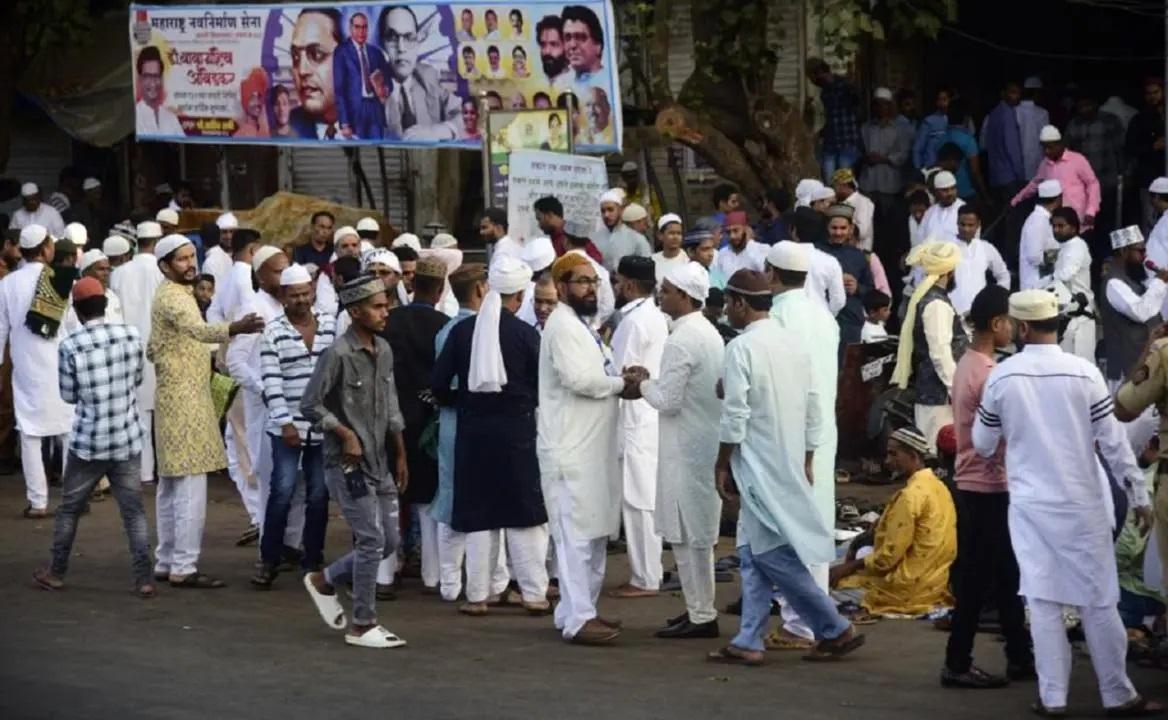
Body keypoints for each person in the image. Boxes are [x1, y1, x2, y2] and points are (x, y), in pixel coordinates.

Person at [973, 289, 1161, 718]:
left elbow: (983, 445)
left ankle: (1053, 698)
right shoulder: (1085, 373)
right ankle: (1118, 694)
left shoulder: (1001, 377)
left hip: (1031, 506)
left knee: (1042, 601)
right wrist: (1137, 492)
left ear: (1021, 328)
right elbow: (1113, 444)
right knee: (1098, 600)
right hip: (1083, 505)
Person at [707, 269, 864, 666]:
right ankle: (749, 638)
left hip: (758, 462)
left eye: (728, 303)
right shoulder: (793, 344)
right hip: (788, 457)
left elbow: (735, 415)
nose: (727, 310)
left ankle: (834, 627)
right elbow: (815, 405)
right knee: (751, 549)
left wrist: (721, 463)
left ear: (741, 304)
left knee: (769, 554)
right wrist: (808, 456)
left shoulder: (741, 348)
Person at [433, 257, 551, 615]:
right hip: (517, 433)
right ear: (518, 295)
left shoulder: (461, 332)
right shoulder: (526, 334)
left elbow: (438, 385)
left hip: (473, 433)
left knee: (480, 514)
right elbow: (542, 385)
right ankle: (534, 594)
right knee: (524, 514)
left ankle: (478, 595)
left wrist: (464, 401)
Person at [301, 275, 409, 649]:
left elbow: (391, 403)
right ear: (355, 311)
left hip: (381, 461)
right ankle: (363, 623)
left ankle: (325, 579)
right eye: (378, 307)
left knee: (389, 540)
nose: (386, 312)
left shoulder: (384, 349)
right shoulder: (338, 354)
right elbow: (309, 404)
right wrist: (344, 434)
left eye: (386, 304)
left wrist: (400, 452)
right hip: (346, 465)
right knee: (370, 539)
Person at [150, 234, 264, 588]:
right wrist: (236, 327)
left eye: (191, 257)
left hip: (178, 396)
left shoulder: (173, 294)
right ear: (165, 266)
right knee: (190, 485)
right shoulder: (174, 298)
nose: (189, 265)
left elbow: (161, 346)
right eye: (181, 260)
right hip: (184, 401)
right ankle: (183, 566)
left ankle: (167, 560)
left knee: (172, 484)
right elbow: (198, 331)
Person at [618, 261, 723, 638]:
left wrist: (642, 382)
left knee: (689, 535)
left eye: (666, 289)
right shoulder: (705, 332)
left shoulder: (682, 338)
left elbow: (668, 400)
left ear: (684, 296)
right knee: (692, 536)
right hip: (698, 443)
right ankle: (698, 610)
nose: (660, 294)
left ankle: (702, 614)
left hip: (686, 446)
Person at [538, 253, 635, 645]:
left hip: (591, 450)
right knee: (576, 538)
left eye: (594, 281)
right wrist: (621, 384)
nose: (590, 288)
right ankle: (579, 619)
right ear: (561, 288)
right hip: (569, 450)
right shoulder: (561, 326)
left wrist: (621, 377)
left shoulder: (582, 326)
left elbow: (601, 373)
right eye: (581, 282)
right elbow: (582, 380)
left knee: (593, 535)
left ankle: (577, 612)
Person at [33, 278, 152, 597]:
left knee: (69, 509)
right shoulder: (130, 335)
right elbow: (138, 378)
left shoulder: (70, 345)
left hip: (88, 444)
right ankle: (144, 579)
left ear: (76, 310)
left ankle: (56, 572)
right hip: (126, 439)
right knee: (134, 511)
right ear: (104, 303)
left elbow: (70, 395)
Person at [940, 284, 1034, 689]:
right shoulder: (991, 374)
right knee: (986, 577)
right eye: (1011, 322)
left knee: (1001, 573)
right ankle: (961, 662)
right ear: (998, 324)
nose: (1014, 330)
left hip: (975, 479)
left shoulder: (968, 363)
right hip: (989, 482)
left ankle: (1018, 657)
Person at [763, 242, 842, 650]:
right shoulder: (824, 316)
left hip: (788, 434)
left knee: (786, 527)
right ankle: (813, 617)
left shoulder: (775, 317)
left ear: (771, 274)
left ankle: (799, 623)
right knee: (816, 522)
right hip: (823, 432)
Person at [251, 264, 336, 589]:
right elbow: (271, 383)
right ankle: (268, 559)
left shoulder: (329, 324)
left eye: (306, 293)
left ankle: (312, 559)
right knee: (282, 493)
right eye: (295, 295)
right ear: (283, 296)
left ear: (312, 291)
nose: (302, 300)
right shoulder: (272, 332)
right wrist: (285, 424)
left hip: (323, 427)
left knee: (318, 495)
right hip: (286, 429)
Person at [832, 425, 957, 613]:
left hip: (905, 588)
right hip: (934, 583)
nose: (888, 461)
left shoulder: (911, 496)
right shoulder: (938, 487)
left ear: (913, 455)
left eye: (894, 454)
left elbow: (886, 559)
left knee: (820, 587)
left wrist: (848, 568)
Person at [382, 257, 449, 593]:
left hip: (388, 419)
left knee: (390, 496)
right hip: (426, 424)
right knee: (425, 500)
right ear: (439, 290)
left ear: (413, 284)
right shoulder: (445, 324)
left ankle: (385, 573)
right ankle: (432, 575)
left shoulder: (389, 321)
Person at [0, 225, 74, 517]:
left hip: (26, 365)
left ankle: (38, 502)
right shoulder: (60, 278)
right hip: (58, 362)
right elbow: (70, 328)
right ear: (44, 249)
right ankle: (72, 499)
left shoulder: (7, 283)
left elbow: (1, 329)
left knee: (29, 433)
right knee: (68, 429)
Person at [608, 256, 668, 598]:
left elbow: (621, 372)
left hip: (634, 416)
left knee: (638, 498)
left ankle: (645, 576)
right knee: (641, 496)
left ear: (628, 284)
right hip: (646, 416)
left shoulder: (634, 323)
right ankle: (646, 571)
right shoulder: (652, 316)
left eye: (618, 283)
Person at [428, 264, 486, 602]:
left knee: (449, 494)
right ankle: (489, 580)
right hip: (477, 420)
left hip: (449, 420)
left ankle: (450, 582)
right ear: (479, 290)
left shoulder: (446, 330)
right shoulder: (485, 329)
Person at [891, 242, 967, 453]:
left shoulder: (932, 299)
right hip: (938, 397)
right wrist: (956, 389)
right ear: (950, 272)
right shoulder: (936, 305)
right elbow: (940, 353)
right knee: (935, 453)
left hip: (936, 393)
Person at [109, 223, 164, 488]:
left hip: (129, 348)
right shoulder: (163, 270)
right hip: (161, 347)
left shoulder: (119, 273)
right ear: (156, 241)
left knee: (140, 414)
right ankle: (167, 469)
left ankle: (144, 472)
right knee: (164, 412)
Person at [379, 6, 461, 140]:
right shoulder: (371, 85)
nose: (401, 48)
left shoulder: (429, 76)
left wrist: (437, 131)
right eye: (393, 38)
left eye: (409, 37)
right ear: (382, 43)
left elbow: (466, 117)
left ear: (417, 42)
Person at [1101, 226, 1168, 389]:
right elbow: (1141, 312)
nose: (1145, 256)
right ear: (1124, 251)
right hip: (1127, 372)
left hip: (1144, 368)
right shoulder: (1114, 283)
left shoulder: (1134, 281)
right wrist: (1160, 282)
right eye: (1140, 251)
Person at [1012, 125, 1101, 233]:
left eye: (1050, 147)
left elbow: (1092, 184)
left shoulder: (1077, 160)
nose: (1046, 151)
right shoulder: (1045, 164)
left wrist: (1091, 211)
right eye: (1044, 148)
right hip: (1058, 226)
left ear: (1060, 144)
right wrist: (1015, 200)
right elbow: (1034, 184)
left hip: (1080, 221)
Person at [1066, 94, 1125, 233]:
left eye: (1088, 105)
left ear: (1095, 104)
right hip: (1084, 185)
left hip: (1107, 181)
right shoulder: (1073, 125)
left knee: (1108, 220)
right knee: (1087, 221)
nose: (1085, 109)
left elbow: (1121, 150)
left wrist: (1125, 174)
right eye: (1081, 106)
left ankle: (1107, 253)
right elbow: (1067, 154)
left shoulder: (1110, 121)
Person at [819, 204, 875, 346]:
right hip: (822, 317)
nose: (838, 233)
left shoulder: (858, 256)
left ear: (850, 229)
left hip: (850, 321)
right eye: (834, 228)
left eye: (843, 228)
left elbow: (870, 289)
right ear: (827, 228)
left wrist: (857, 288)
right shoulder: (815, 252)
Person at [858, 88, 910, 229]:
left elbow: (903, 155)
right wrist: (867, 158)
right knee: (867, 221)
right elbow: (859, 151)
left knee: (889, 223)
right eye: (877, 104)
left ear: (890, 106)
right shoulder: (865, 128)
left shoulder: (900, 129)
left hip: (890, 183)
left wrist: (884, 159)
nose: (880, 108)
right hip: (868, 182)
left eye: (884, 104)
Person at [1050, 207, 1096, 362]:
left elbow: (1065, 274)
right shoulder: (1067, 246)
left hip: (1081, 317)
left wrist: (1044, 282)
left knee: (1082, 369)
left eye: (1061, 226)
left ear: (1074, 227)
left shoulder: (1077, 245)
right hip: (1068, 316)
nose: (1056, 230)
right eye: (1054, 226)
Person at [948, 204, 1010, 317]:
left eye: (971, 225)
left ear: (978, 225)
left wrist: (995, 299)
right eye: (962, 224)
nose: (966, 229)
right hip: (952, 312)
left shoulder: (986, 248)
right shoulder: (946, 248)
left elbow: (1003, 275)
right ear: (957, 223)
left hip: (979, 313)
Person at [288, 9, 341, 139]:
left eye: (316, 54)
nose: (302, 70)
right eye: (295, 56)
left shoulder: (378, 125)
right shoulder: (285, 126)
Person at [334, 12, 388, 140]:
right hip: (355, 111)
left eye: (364, 27)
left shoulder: (376, 53)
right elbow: (339, 90)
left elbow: (388, 81)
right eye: (357, 27)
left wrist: (383, 90)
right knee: (358, 150)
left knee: (376, 147)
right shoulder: (341, 52)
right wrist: (344, 123)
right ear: (351, 28)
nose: (361, 31)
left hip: (375, 108)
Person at [806, 58, 860, 180]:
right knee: (829, 182)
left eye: (812, 77)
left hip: (847, 142)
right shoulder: (824, 92)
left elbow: (854, 104)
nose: (812, 82)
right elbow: (832, 119)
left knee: (844, 182)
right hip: (831, 144)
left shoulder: (844, 85)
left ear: (819, 72)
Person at [1126, 78, 1166, 227]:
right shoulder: (1140, 119)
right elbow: (1130, 148)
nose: (1152, 96)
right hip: (1149, 179)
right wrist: (1153, 147)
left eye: (1156, 92)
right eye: (1149, 93)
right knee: (1150, 221)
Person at [981, 81, 1026, 208]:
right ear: (1003, 94)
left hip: (995, 176)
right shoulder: (1008, 114)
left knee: (1000, 216)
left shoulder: (993, 114)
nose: (1016, 97)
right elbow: (1012, 148)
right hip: (1009, 176)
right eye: (1012, 93)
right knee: (1013, 217)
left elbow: (984, 144)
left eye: (1018, 93)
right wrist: (1020, 174)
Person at [941, 98, 989, 201]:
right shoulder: (968, 140)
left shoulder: (940, 139)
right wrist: (985, 195)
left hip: (945, 192)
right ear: (966, 118)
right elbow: (975, 171)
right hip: (966, 192)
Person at [591, 189, 650, 272]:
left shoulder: (637, 239)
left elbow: (647, 271)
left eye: (610, 210)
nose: (606, 215)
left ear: (621, 210)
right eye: (603, 211)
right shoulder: (594, 240)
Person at [1019, 180, 1063, 290]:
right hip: (1035, 286)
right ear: (1058, 199)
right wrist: (1062, 253)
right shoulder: (1037, 221)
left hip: (1043, 284)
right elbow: (1035, 257)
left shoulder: (1044, 218)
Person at [135, 46, 185, 135]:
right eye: (147, 76)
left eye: (156, 76)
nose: (153, 83)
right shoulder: (135, 115)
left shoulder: (170, 117)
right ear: (140, 79)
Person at [556, 4, 605, 94]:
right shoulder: (561, 85)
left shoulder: (608, 82)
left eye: (580, 37)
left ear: (598, 45)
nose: (573, 45)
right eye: (567, 38)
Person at [536, 195, 601, 263]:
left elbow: (596, 258)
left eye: (539, 219)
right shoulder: (553, 238)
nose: (539, 225)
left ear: (550, 215)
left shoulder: (574, 234)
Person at [1016, 77, 1051, 181]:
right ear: (1036, 93)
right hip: (1036, 165)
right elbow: (1046, 141)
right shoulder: (1042, 113)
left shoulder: (1014, 111)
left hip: (1017, 166)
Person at [713, 211, 767, 277]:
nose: (732, 236)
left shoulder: (763, 249)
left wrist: (749, 247)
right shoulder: (722, 253)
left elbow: (764, 274)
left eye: (736, 230)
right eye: (728, 232)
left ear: (746, 229)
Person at [832, 168, 875, 252]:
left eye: (835, 186)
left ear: (844, 186)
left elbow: (863, 231)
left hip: (860, 251)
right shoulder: (840, 201)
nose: (834, 190)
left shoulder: (863, 202)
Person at [918, 171, 965, 245]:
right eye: (945, 190)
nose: (950, 193)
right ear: (936, 192)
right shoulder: (930, 213)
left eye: (953, 189)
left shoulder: (965, 210)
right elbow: (920, 239)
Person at [913, 87, 953, 169]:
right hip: (932, 169)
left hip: (952, 171)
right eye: (940, 99)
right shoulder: (929, 121)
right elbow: (917, 149)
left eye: (945, 99)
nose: (942, 102)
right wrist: (919, 170)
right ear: (936, 102)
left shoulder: (956, 120)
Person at [202, 212, 238, 289]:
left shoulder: (242, 255)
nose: (229, 236)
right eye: (224, 232)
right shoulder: (210, 257)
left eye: (232, 232)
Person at [683, 226, 727, 291]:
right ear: (691, 252)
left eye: (712, 248)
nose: (711, 254)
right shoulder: (682, 279)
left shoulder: (718, 275)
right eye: (705, 249)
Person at [651, 213, 687, 283]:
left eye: (679, 233)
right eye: (671, 233)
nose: (675, 237)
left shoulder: (688, 260)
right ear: (660, 235)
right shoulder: (652, 261)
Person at [536, 14, 569, 85]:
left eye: (554, 44)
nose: (547, 51)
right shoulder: (538, 84)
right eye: (543, 45)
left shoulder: (575, 85)